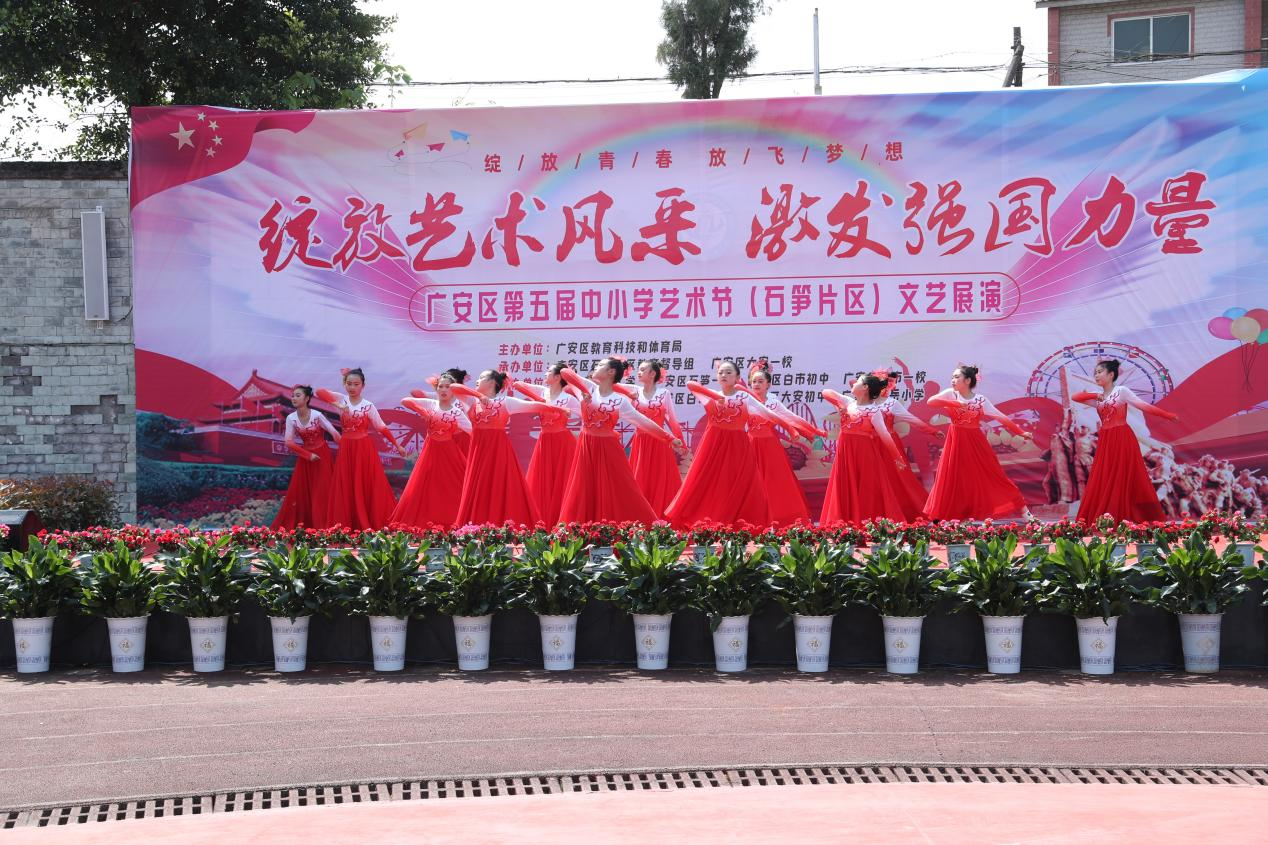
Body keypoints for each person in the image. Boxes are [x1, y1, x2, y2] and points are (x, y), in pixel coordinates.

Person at [663, 359, 783, 528]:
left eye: (728, 372)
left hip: (738, 446)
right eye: (720, 372)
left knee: (741, 483)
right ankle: (706, 522)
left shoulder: (744, 397)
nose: (723, 375)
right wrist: (716, 397)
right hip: (713, 446)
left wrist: (791, 428)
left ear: (738, 378)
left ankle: (744, 523)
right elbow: (691, 385)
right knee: (708, 482)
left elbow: (767, 413)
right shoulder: (709, 394)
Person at [558, 358, 673, 524]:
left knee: (621, 489)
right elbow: (565, 372)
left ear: (611, 372)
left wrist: (669, 438)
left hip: (608, 450)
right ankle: (582, 530)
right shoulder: (589, 388)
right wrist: (583, 390)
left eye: (600, 365)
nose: (595, 367)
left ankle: (643, 526)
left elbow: (643, 422)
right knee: (582, 488)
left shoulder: (620, 401)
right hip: (586, 447)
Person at [450, 369, 561, 527]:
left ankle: (503, 525)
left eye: (481, 377)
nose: (477, 380)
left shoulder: (505, 402)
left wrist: (559, 410)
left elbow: (533, 406)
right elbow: (454, 387)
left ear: (492, 382)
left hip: (499, 452)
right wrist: (479, 396)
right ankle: (476, 526)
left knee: (499, 487)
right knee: (479, 489)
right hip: (478, 454)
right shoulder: (471, 401)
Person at [1073, 359, 1179, 522]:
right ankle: (1110, 516)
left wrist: (1167, 415)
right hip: (1106, 440)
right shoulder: (1098, 397)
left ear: (1111, 374)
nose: (1096, 375)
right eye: (1095, 372)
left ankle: (1131, 515)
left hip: (1122, 437)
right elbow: (1075, 397)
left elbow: (1143, 406)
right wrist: (1095, 395)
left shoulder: (1121, 391)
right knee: (1106, 476)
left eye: (1100, 372)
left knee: (1124, 475)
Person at [923, 364, 1033, 520]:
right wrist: (955, 404)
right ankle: (952, 517)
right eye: (952, 377)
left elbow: (1001, 417)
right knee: (953, 477)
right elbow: (931, 401)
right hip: (956, 441)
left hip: (976, 441)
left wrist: (1021, 432)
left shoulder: (980, 400)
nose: (953, 380)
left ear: (967, 380)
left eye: (957, 377)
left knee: (994, 475)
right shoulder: (950, 394)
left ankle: (1024, 512)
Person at [820, 374, 925, 523]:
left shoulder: (874, 411)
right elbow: (826, 392)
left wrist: (897, 457)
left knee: (866, 488)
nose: (853, 383)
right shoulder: (848, 402)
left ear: (865, 387)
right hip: (845, 454)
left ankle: (867, 522)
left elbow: (885, 435)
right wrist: (840, 405)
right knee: (844, 486)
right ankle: (845, 522)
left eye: (858, 381)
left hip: (864, 454)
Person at [316, 368, 404, 530]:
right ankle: (346, 525)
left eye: (356, 384)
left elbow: (381, 427)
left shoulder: (368, 406)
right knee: (347, 483)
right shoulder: (342, 400)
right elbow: (319, 392)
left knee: (365, 483)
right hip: (346, 447)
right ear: (344, 384)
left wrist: (397, 445)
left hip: (363, 448)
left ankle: (370, 522)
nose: (352, 387)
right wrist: (337, 405)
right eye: (349, 383)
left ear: (363, 386)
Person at [741, 362, 822, 527]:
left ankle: (780, 516)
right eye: (754, 381)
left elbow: (790, 417)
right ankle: (752, 517)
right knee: (752, 481)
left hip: (770, 446)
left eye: (760, 381)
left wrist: (811, 431)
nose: (756, 384)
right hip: (751, 444)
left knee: (775, 481)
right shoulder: (745, 400)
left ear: (768, 384)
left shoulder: (773, 402)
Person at [388, 372, 472, 529]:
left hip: (448, 453)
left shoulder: (456, 412)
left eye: (448, 387)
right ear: (436, 389)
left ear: (453, 391)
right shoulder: (430, 404)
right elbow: (405, 401)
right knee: (425, 486)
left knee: (452, 485)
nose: (444, 390)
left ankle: (453, 519)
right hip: (430, 451)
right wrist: (423, 412)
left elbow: (472, 432)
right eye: (440, 386)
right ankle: (427, 520)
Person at [612, 359, 686, 517]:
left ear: (652, 373)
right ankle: (640, 515)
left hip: (660, 441)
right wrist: (620, 370)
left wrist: (680, 441)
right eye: (638, 369)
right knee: (640, 478)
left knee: (660, 479)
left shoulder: (664, 394)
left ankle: (661, 516)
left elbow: (672, 419)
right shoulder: (634, 391)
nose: (639, 372)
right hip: (641, 442)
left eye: (643, 369)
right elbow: (611, 385)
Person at [512, 362, 581, 525]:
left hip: (563, 443)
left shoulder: (568, 399)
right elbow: (517, 385)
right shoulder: (542, 392)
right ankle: (542, 521)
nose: (545, 374)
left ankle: (564, 520)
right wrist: (539, 399)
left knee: (563, 481)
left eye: (548, 371)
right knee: (543, 481)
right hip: (545, 442)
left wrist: (581, 434)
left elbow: (585, 415)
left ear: (557, 377)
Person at [271, 385, 340, 530]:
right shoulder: (291, 418)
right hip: (306, 457)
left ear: (307, 398)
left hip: (322, 456)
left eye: (298, 395)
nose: (294, 398)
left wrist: (346, 448)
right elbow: (289, 442)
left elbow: (334, 433)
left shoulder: (317, 415)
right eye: (293, 396)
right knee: (301, 494)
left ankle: (325, 529)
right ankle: (306, 528)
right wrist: (308, 455)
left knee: (322, 492)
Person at [877, 369, 940, 500]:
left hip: (889, 444)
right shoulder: (866, 401)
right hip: (869, 442)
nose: (887, 385)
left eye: (890, 383)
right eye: (883, 381)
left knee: (895, 475)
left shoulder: (892, 403)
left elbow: (912, 419)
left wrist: (932, 431)